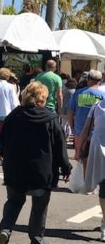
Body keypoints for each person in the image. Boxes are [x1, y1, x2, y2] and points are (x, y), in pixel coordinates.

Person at [0, 82, 72, 244]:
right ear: (43, 98)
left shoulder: (14, 116)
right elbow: (60, 146)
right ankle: (36, 238)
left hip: (15, 168)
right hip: (42, 170)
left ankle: (5, 229)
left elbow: (1, 142)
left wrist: (5, 156)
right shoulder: (50, 119)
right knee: (40, 205)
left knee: (14, 201)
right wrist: (65, 167)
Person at [81, 100, 105, 242]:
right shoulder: (97, 105)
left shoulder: (97, 105)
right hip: (98, 147)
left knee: (104, 187)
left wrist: (80, 147)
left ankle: (104, 225)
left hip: (98, 147)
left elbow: (86, 128)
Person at [68, 70, 105, 159]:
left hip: (79, 131)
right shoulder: (103, 95)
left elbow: (70, 111)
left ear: (88, 79)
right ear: (100, 80)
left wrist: (71, 127)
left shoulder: (78, 93)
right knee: (93, 161)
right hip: (96, 134)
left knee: (80, 158)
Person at [0, 68, 20, 165]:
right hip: (8, 115)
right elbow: (14, 102)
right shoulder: (11, 87)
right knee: (8, 137)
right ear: (8, 76)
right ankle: (7, 156)